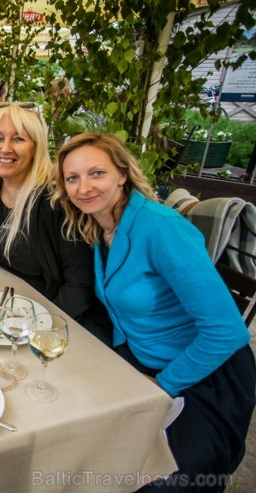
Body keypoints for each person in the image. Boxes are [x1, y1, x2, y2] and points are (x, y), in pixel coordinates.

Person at [54, 132, 254, 492]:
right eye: (73, 177)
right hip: (143, 361)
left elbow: (227, 332)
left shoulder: (160, 228)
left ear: (122, 174)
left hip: (202, 378)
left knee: (157, 480)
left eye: (96, 173)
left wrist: (162, 385)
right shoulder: (98, 225)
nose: (84, 187)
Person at [0, 104, 112, 344]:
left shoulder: (56, 201)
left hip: (60, 324)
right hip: (10, 315)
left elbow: (80, 287)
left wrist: (33, 330)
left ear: (36, 148)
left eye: (19, 139)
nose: (5, 148)